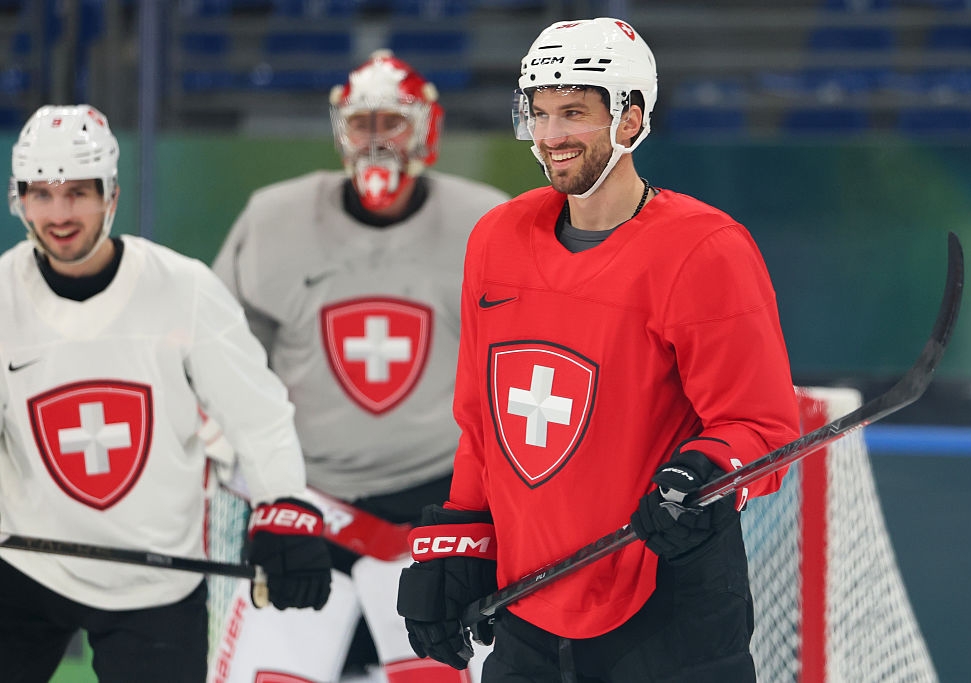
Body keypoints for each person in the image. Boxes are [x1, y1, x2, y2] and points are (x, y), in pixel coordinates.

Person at [396, 17, 802, 683]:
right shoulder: (497, 236)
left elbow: (763, 427)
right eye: (542, 112)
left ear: (631, 119)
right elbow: (482, 424)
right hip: (528, 605)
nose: (552, 135)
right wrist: (461, 540)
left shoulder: (705, 248)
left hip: (670, 606)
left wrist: (703, 473)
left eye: (575, 113)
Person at [0, 104, 332, 683]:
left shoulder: (185, 289)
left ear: (112, 195)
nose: (59, 213)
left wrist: (285, 507)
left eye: (78, 191)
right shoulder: (2, 294)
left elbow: (257, 414)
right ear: (18, 198)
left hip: (155, 582)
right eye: (42, 193)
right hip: (25, 568)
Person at [208, 50, 509, 683]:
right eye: (362, 123)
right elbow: (223, 356)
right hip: (307, 500)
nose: (376, 141)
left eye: (392, 123)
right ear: (339, 130)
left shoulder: (487, 221)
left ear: (428, 128)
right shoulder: (273, 218)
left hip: (438, 505)